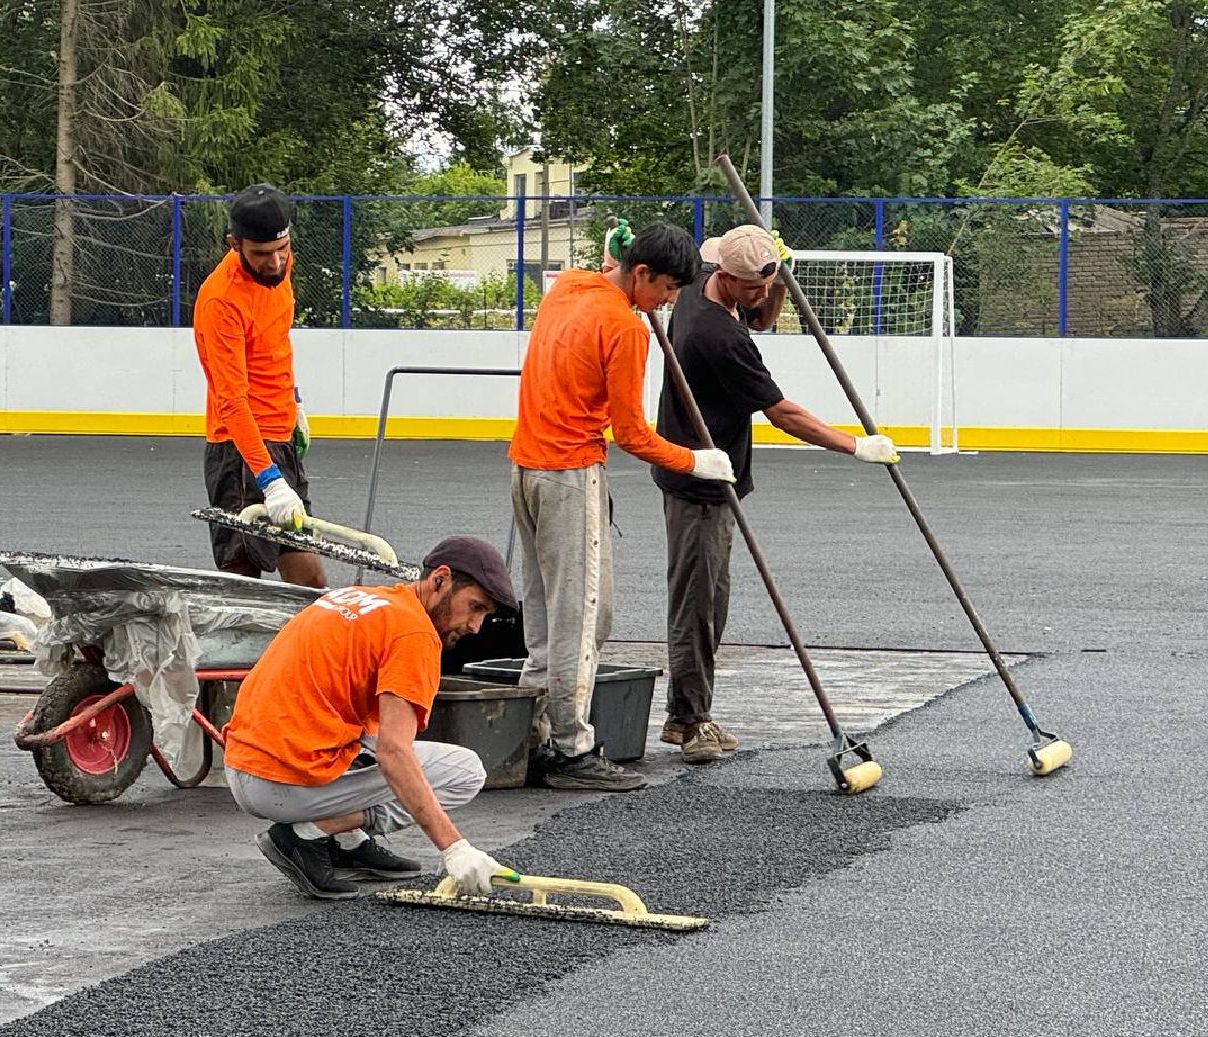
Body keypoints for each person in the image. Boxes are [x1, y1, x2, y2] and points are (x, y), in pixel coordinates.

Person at [654, 225, 900, 764]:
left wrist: (778, 273)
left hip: (713, 468)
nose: (761, 296)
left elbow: (763, 315)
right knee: (698, 604)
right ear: (725, 276)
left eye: (767, 282)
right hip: (699, 477)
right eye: (752, 286)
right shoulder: (718, 336)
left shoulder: (705, 286)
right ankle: (688, 721)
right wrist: (854, 446)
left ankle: (689, 711)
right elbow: (782, 413)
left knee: (710, 600)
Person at [509, 222, 736, 792]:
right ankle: (571, 747)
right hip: (569, 474)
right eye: (664, 289)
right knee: (586, 617)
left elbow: (605, 264)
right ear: (640, 274)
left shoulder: (566, 289)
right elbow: (632, 434)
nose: (669, 301)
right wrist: (695, 461)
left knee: (541, 615)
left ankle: (533, 737)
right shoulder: (625, 328)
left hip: (523, 470)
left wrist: (618, 257)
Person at [223, 535, 518, 901]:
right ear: (440, 580)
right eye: (474, 607)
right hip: (279, 785)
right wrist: (454, 847)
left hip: (242, 765)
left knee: (369, 731)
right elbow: (394, 753)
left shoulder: (360, 598)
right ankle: (308, 834)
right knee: (464, 771)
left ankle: (347, 842)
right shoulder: (414, 634)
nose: (476, 626)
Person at [194, 182, 325, 589]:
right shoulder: (221, 301)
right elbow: (231, 401)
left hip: (279, 437)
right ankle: (239, 653)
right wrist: (268, 479)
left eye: (282, 249)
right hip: (239, 451)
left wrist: (294, 402)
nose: (275, 262)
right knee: (242, 581)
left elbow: (276, 345)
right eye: (262, 254)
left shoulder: (281, 269)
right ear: (235, 244)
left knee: (304, 570)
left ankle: (316, 646)